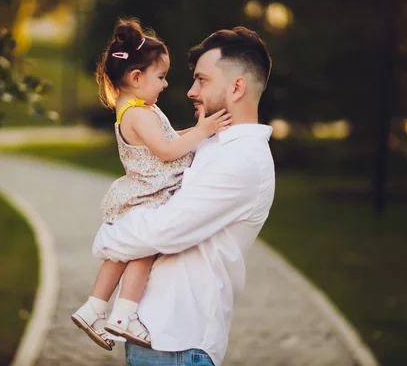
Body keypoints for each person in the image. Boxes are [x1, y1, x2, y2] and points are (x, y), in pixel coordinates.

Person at [92, 26, 275, 366]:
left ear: (237, 87)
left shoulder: (243, 159)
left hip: (180, 344)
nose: (191, 91)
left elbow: (166, 231)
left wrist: (108, 237)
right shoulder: (212, 144)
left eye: (202, 80)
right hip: (158, 337)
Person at [71, 18, 232, 351]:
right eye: (160, 77)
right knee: (142, 252)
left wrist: (203, 129)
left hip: (143, 194)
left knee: (120, 253)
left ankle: (93, 308)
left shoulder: (141, 109)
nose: (165, 84)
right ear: (136, 77)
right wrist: (203, 132)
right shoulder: (138, 114)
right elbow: (166, 149)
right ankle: (123, 316)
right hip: (148, 196)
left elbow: (172, 138)